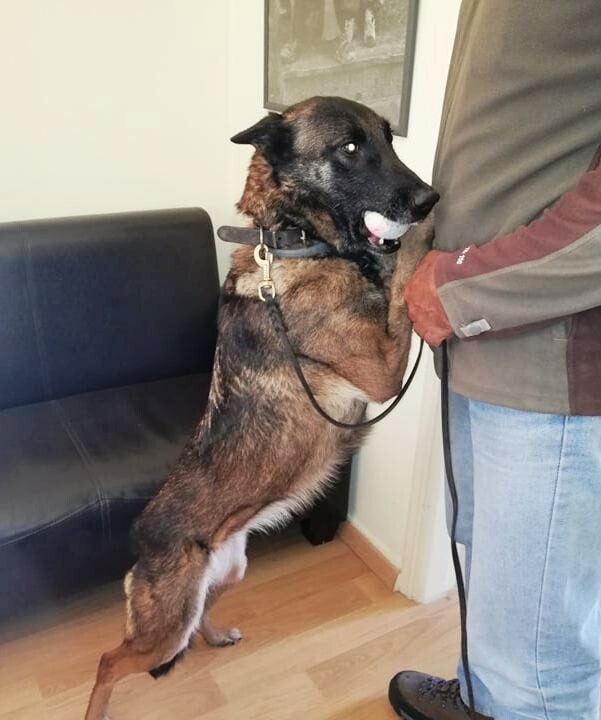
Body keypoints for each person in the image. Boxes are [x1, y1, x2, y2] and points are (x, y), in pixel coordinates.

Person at [389, 2, 601, 719]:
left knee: (537, 666)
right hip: (478, 344)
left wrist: (462, 285)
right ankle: (479, 698)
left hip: (551, 366)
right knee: (489, 578)